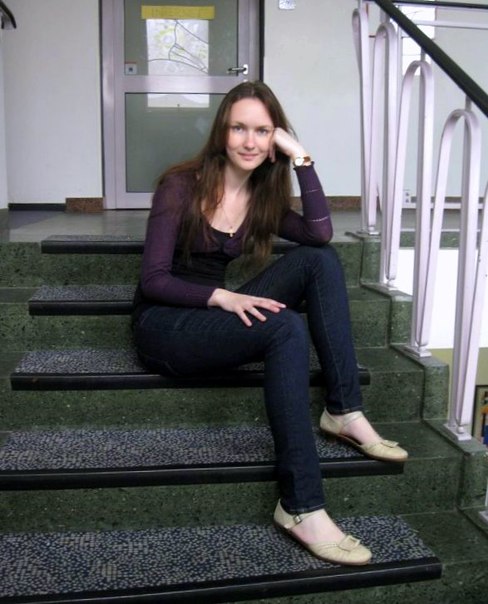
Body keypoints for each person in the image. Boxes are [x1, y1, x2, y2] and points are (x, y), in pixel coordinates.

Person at [132, 81, 408, 566]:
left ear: (274, 137)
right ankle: (301, 506)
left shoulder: (261, 197)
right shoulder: (181, 185)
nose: (249, 141)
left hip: (215, 315)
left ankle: (343, 410)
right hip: (167, 325)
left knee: (319, 261)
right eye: (239, 128)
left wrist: (301, 158)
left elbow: (319, 232)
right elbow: (153, 280)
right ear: (222, 132)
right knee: (285, 328)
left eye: (262, 131)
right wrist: (222, 296)